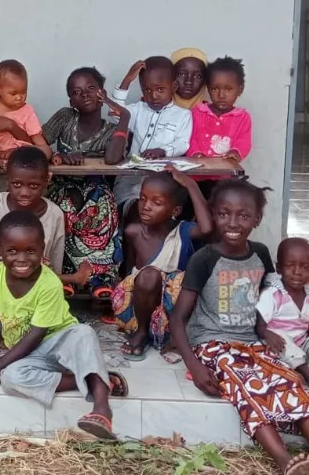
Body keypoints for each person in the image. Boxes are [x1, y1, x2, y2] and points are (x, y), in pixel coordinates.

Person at [168, 180, 309, 475]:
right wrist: (196, 366)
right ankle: (285, 463)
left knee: (288, 381)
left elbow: (273, 298)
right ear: (213, 215)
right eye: (224, 214)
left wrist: (285, 331)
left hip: (254, 341)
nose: (233, 223)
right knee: (247, 387)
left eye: (243, 216)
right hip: (214, 343)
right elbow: (177, 320)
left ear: (257, 219)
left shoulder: (261, 254)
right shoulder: (205, 259)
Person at [0, 210, 126, 439]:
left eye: (30, 250)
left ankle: (101, 408)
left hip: (57, 343)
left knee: (83, 332)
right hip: (30, 356)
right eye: (12, 251)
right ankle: (91, 378)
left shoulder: (48, 283)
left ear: (42, 248)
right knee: (11, 378)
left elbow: (37, 334)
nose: (22, 259)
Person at [113, 170, 212, 359]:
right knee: (148, 275)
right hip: (139, 305)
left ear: (175, 211)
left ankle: (171, 333)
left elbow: (207, 228)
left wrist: (191, 184)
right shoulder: (133, 231)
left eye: (156, 203)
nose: (146, 207)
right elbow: (128, 271)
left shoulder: (183, 232)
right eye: (142, 199)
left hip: (174, 309)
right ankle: (141, 332)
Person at [43, 67, 121, 299]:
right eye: (76, 92)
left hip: (96, 187)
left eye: (91, 88)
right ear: (71, 100)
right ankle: (67, 275)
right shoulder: (65, 117)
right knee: (65, 206)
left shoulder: (111, 131)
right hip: (61, 185)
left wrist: (123, 117)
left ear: (102, 93)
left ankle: (101, 277)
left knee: (100, 205)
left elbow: (114, 158)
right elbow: (37, 142)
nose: (84, 94)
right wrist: (57, 156)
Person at [106, 56, 193, 212]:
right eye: (147, 89)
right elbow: (114, 114)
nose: (153, 95)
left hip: (163, 179)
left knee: (158, 209)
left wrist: (163, 150)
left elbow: (182, 143)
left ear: (173, 86)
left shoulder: (182, 115)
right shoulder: (137, 110)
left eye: (160, 89)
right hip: (132, 178)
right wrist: (127, 81)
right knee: (130, 210)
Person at [0, 147, 66, 276]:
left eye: (33, 186)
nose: (24, 193)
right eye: (17, 184)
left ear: (47, 179)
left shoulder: (54, 215)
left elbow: (54, 262)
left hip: (35, 287)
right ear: (7, 179)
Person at [257, 237, 309, 387]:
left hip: (302, 344)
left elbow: (307, 323)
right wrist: (268, 334)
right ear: (279, 268)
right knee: (283, 341)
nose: (297, 272)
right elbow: (260, 325)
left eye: (305, 267)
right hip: (278, 346)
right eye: (290, 266)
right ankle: (308, 374)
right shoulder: (273, 295)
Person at [0, 59, 50, 160]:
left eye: (23, 92)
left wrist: (45, 150)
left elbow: (36, 138)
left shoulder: (27, 110)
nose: (19, 97)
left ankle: (8, 159)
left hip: (17, 151)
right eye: (13, 93)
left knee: (46, 151)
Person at [187, 56, 251, 163]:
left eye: (228, 89)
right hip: (197, 172)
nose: (221, 95)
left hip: (225, 174)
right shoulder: (197, 113)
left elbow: (244, 141)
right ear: (208, 88)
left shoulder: (242, 117)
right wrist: (195, 152)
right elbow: (191, 138)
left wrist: (235, 153)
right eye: (215, 88)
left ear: (240, 90)